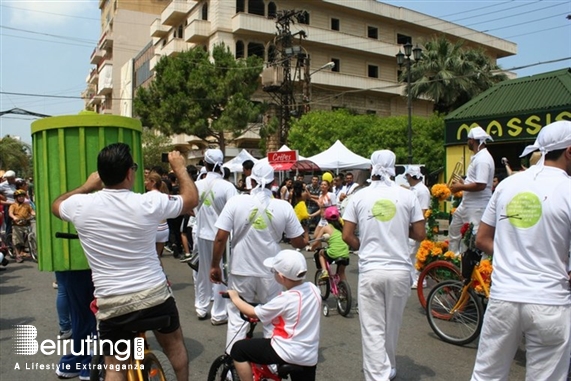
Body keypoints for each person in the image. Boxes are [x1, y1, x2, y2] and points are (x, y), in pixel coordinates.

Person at [51, 143, 197, 381]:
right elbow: (190, 199)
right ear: (130, 173)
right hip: (154, 296)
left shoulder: (80, 206)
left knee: (115, 368)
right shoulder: (150, 201)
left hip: (113, 303)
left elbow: (56, 205)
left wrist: (87, 187)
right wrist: (179, 168)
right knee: (175, 348)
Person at [471, 120, 571, 381]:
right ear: (569, 151)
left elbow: (482, 239)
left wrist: (510, 255)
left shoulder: (508, 184)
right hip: (550, 301)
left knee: (487, 375)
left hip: (504, 299)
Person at [342, 150, 426, 381]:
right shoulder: (407, 195)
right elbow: (420, 233)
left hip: (371, 269)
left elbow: (347, 235)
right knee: (392, 325)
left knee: (372, 328)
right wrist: (399, 231)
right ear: (395, 168)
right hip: (399, 271)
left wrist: (365, 245)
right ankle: (388, 367)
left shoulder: (359, 196)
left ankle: (377, 375)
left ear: (371, 168)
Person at [210, 161, 307, 352]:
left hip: (241, 270)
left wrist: (214, 265)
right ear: (273, 183)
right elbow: (297, 242)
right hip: (272, 273)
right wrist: (306, 238)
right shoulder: (284, 206)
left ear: (251, 180)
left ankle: (234, 367)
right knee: (272, 320)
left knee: (237, 320)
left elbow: (221, 238)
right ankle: (271, 366)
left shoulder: (236, 202)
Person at [226, 249, 321, 381]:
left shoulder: (286, 299)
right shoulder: (314, 289)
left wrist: (235, 297)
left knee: (238, 349)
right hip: (309, 355)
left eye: (274, 271)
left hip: (286, 351)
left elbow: (253, 312)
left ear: (281, 277)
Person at [188, 148, 238, 324]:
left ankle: (201, 307)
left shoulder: (196, 185)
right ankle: (218, 313)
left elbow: (188, 207)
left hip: (201, 235)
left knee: (202, 272)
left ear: (205, 163)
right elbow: (236, 212)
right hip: (221, 237)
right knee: (220, 273)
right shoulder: (228, 187)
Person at [448, 126, 495, 254]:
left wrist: (460, 187)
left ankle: (470, 267)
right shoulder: (478, 157)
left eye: (468, 139)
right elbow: (476, 181)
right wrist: (464, 183)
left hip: (477, 206)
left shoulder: (483, 159)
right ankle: (452, 259)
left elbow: (481, 185)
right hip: (467, 204)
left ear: (473, 141)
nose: (467, 142)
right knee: (454, 231)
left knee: (471, 240)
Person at [404, 165, 430, 289]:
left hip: (417, 225)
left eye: (407, 175)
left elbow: (424, 210)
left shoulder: (422, 190)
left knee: (416, 253)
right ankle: (413, 278)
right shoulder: (414, 189)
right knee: (410, 253)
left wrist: (418, 226)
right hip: (411, 224)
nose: (406, 178)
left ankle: (419, 280)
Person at [311, 206, 350, 281]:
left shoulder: (326, 228)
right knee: (341, 273)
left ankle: (325, 271)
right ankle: (344, 290)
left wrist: (312, 248)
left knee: (321, 254)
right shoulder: (342, 227)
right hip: (345, 253)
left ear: (326, 218)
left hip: (334, 252)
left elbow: (316, 241)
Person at [144, 172, 171, 257]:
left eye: (147, 180)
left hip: (152, 228)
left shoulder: (145, 196)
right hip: (164, 228)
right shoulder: (165, 196)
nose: (145, 182)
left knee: (150, 258)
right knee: (157, 257)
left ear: (153, 182)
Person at [9, 189, 35, 263]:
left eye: (23, 196)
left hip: (26, 223)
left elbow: (31, 211)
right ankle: (18, 255)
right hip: (17, 224)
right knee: (17, 240)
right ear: (16, 198)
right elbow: (11, 213)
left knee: (28, 237)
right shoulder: (13, 205)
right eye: (19, 196)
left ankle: (27, 250)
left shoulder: (27, 205)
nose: (21, 198)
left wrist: (34, 214)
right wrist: (14, 217)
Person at [0, 170, 17, 237]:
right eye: (9, 179)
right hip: (9, 206)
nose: (11, 180)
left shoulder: (17, 183)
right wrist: (4, 198)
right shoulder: (2, 185)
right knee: (9, 224)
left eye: (12, 178)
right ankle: (9, 241)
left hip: (18, 205)